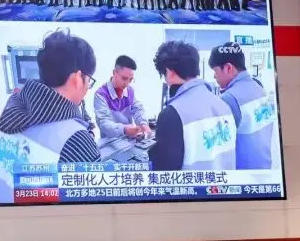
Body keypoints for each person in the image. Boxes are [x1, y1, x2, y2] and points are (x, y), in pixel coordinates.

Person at [0, 30, 100, 166]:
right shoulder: (79, 143)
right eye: (88, 80)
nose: (87, 86)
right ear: (77, 78)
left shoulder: (13, 108)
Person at [149, 41, 236, 171]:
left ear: (169, 72)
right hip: (223, 182)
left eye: (164, 75)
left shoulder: (172, 114)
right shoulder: (223, 105)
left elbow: (164, 173)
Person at [208, 43, 275, 169]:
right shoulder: (259, 89)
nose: (214, 76)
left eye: (215, 70)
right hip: (265, 168)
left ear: (228, 68)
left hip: (242, 174)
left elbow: (216, 147)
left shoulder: (229, 99)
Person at [93, 55, 150, 142]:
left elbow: (138, 109)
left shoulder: (130, 91)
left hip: (128, 140)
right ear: (114, 73)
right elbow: (104, 123)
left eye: (130, 80)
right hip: (109, 143)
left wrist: (143, 124)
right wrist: (124, 129)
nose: (127, 83)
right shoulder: (101, 95)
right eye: (124, 78)